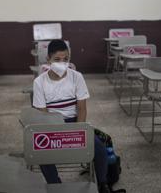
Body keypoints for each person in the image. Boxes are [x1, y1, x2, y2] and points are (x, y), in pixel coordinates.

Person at [33, 39, 112, 193]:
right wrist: (57, 134)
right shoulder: (39, 82)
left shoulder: (77, 77)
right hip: (52, 124)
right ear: (48, 59)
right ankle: (56, 185)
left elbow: (82, 108)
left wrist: (78, 131)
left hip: (75, 122)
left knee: (100, 149)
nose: (62, 63)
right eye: (57, 59)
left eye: (66, 59)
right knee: (41, 153)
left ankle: (102, 184)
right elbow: (43, 113)